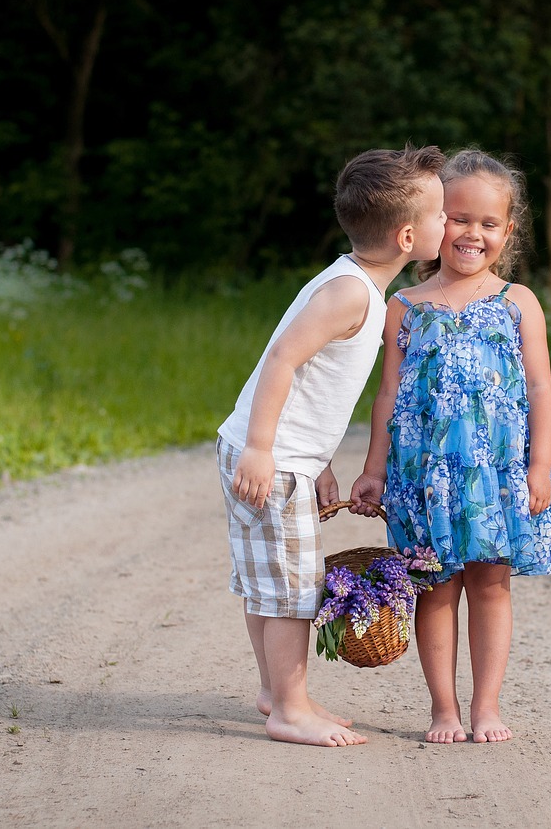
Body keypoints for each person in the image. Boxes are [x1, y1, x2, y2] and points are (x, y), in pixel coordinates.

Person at [217, 144, 447, 747]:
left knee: (267, 582)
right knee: (294, 592)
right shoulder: (351, 293)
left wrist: (318, 464)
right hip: (271, 459)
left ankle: (275, 692)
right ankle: (290, 711)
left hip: (282, 455)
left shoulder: (355, 285)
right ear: (407, 237)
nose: (447, 222)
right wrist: (263, 449)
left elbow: (311, 386)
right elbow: (282, 360)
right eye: (441, 214)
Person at [351, 148, 551, 744]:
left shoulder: (518, 302)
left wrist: (539, 467)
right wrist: (373, 470)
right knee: (435, 587)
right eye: (458, 219)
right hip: (425, 476)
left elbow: (540, 389)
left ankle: (487, 707)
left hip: (496, 473)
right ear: (431, 221)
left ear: (508, 231)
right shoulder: (405, 307)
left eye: (489, 223)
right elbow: (388, 394)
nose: (473, 233)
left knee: (491, 585)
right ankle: (444, 709)